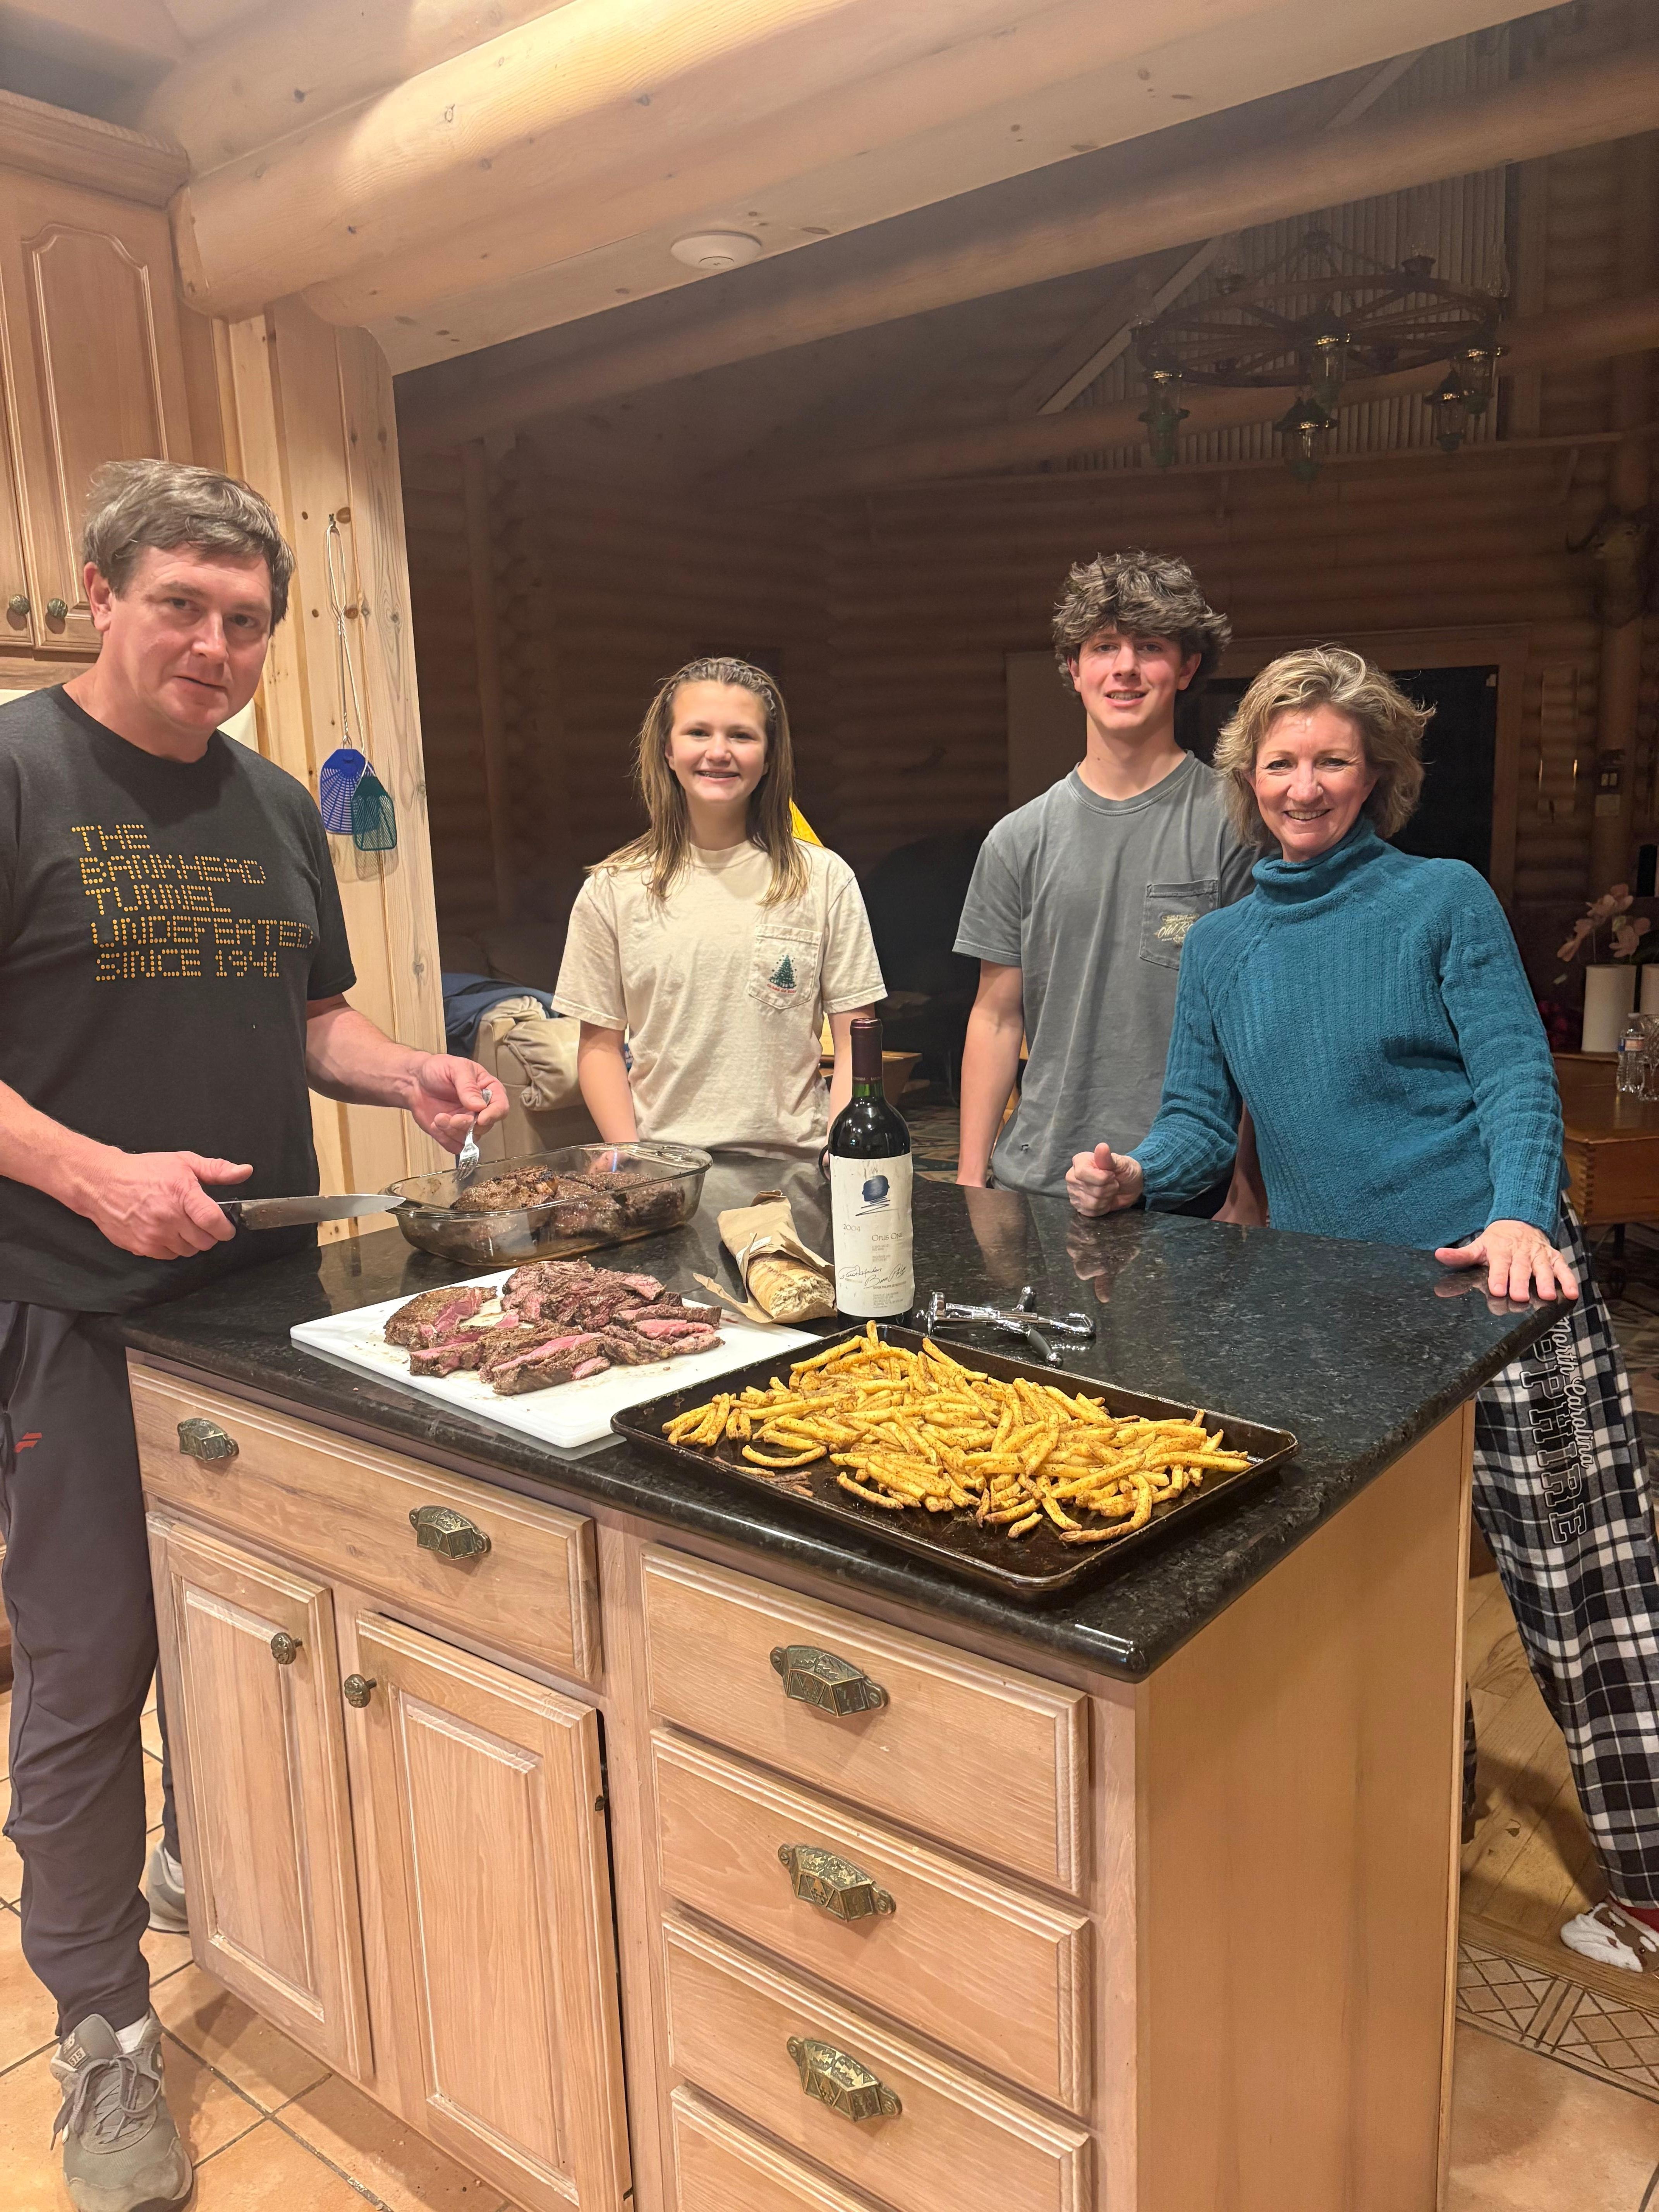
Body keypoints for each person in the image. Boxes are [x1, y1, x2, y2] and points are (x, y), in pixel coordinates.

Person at [0, 459, 508, 2212]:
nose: (216, 649)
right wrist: (85, 1174)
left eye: (246, 623)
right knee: (84, 1676)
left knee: (245, 1630)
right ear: (97, 593)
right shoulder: (8, 770)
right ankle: (100, 2034)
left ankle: (195, 1862)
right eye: (183, 610)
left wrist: (412, 1070)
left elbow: (315, 1017)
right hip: (65, 1304)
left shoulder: (280, 802)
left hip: (261, 1306)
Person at [1066, 643, 1659, 1976]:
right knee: (1371, 1598)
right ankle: (1416, 1828)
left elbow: (1514, 1073)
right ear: (1247, 779)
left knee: (1584, 1596)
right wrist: (1130, 1177)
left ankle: (1654, 1882)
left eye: (1332, 758)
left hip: (1501, 1292)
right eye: (1280, 760)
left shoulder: (1440, 899)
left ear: (1377, 773)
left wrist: (1519, 1211)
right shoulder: (1220, 947)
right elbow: (1194, 1130)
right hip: (1337, 1312)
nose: (1303, 783)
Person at [953, 550, 1257, 1204]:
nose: (1125, 667)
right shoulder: (1017, 840)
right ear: (1074, 668)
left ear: (1187, 668)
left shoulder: (1238, 825)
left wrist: (1244, 1188)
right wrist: (969, 1180)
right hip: (1035, 1184)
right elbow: (997, 1018)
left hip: (1182, 1189)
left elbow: (1257, 1026)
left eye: (1149, 647)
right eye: (1102, 647)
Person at [554, 656, 884, 1158]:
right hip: (667, 1170)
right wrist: (632, 1157)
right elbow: (599, 1048)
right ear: (667, 749)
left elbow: (856, 1032)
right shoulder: (613, 889)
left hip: (795, 1165)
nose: (719, 752)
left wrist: (837, 1157)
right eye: (698, 732)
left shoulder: (824, 879)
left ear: (771, 755)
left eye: (742, 736)